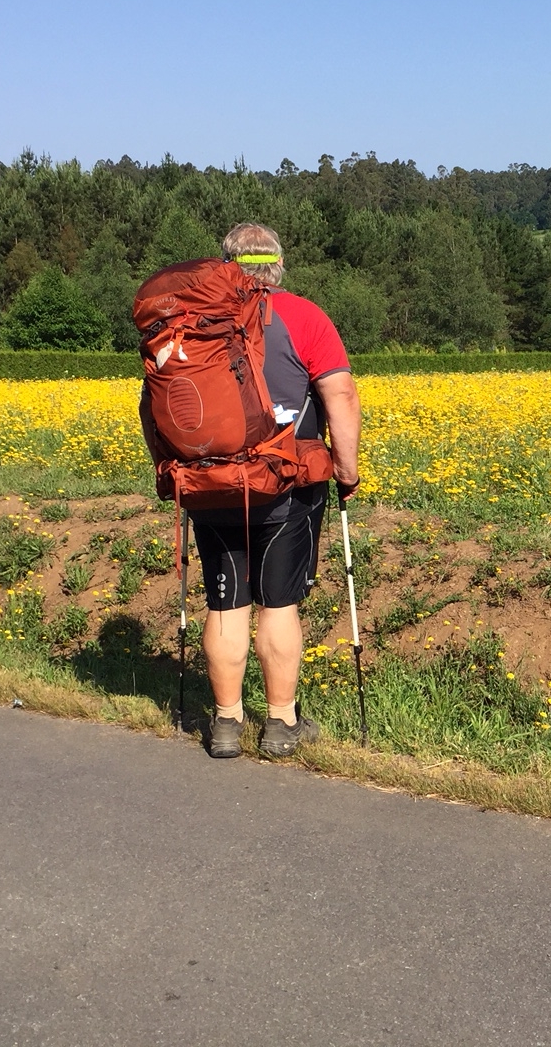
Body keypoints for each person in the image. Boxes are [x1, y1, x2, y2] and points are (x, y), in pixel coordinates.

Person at [193, 222, 361, 760]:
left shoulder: (195, 320)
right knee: (278, 605)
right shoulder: (304, 316)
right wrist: (347, 469)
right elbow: (339, 395)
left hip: (212, 485)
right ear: (278, 266)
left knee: (226, 605)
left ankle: (225, 724)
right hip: (284, 486)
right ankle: (281, 724)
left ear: (225, 265)